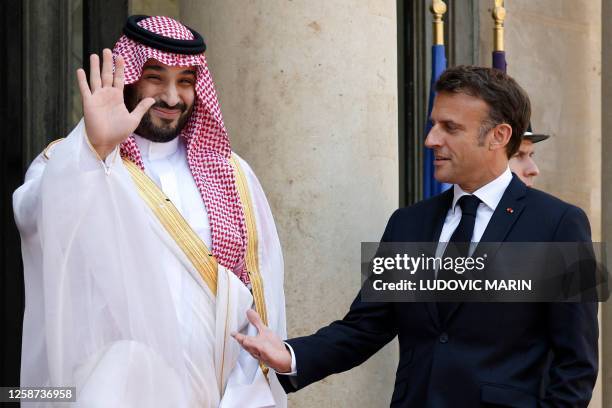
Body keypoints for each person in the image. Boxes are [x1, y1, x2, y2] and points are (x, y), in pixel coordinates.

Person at [233, 66, 598, 407]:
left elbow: (576, 363)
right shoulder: (409, 223)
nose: (430, 139)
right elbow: (365, 327)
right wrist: (290, 355)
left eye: (449, 128)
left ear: (498, 136)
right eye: (432, 124)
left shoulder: (560, 224)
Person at [13, 15, 286, 408]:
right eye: (155, 78)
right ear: (130, 78)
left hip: (218, 391)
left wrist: (248, 393)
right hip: (112, 390)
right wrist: (94, 150)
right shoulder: (74, 162)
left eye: (186, 81)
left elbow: (260, 298)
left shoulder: (234, 174)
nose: (173, 98)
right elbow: (32, 217)